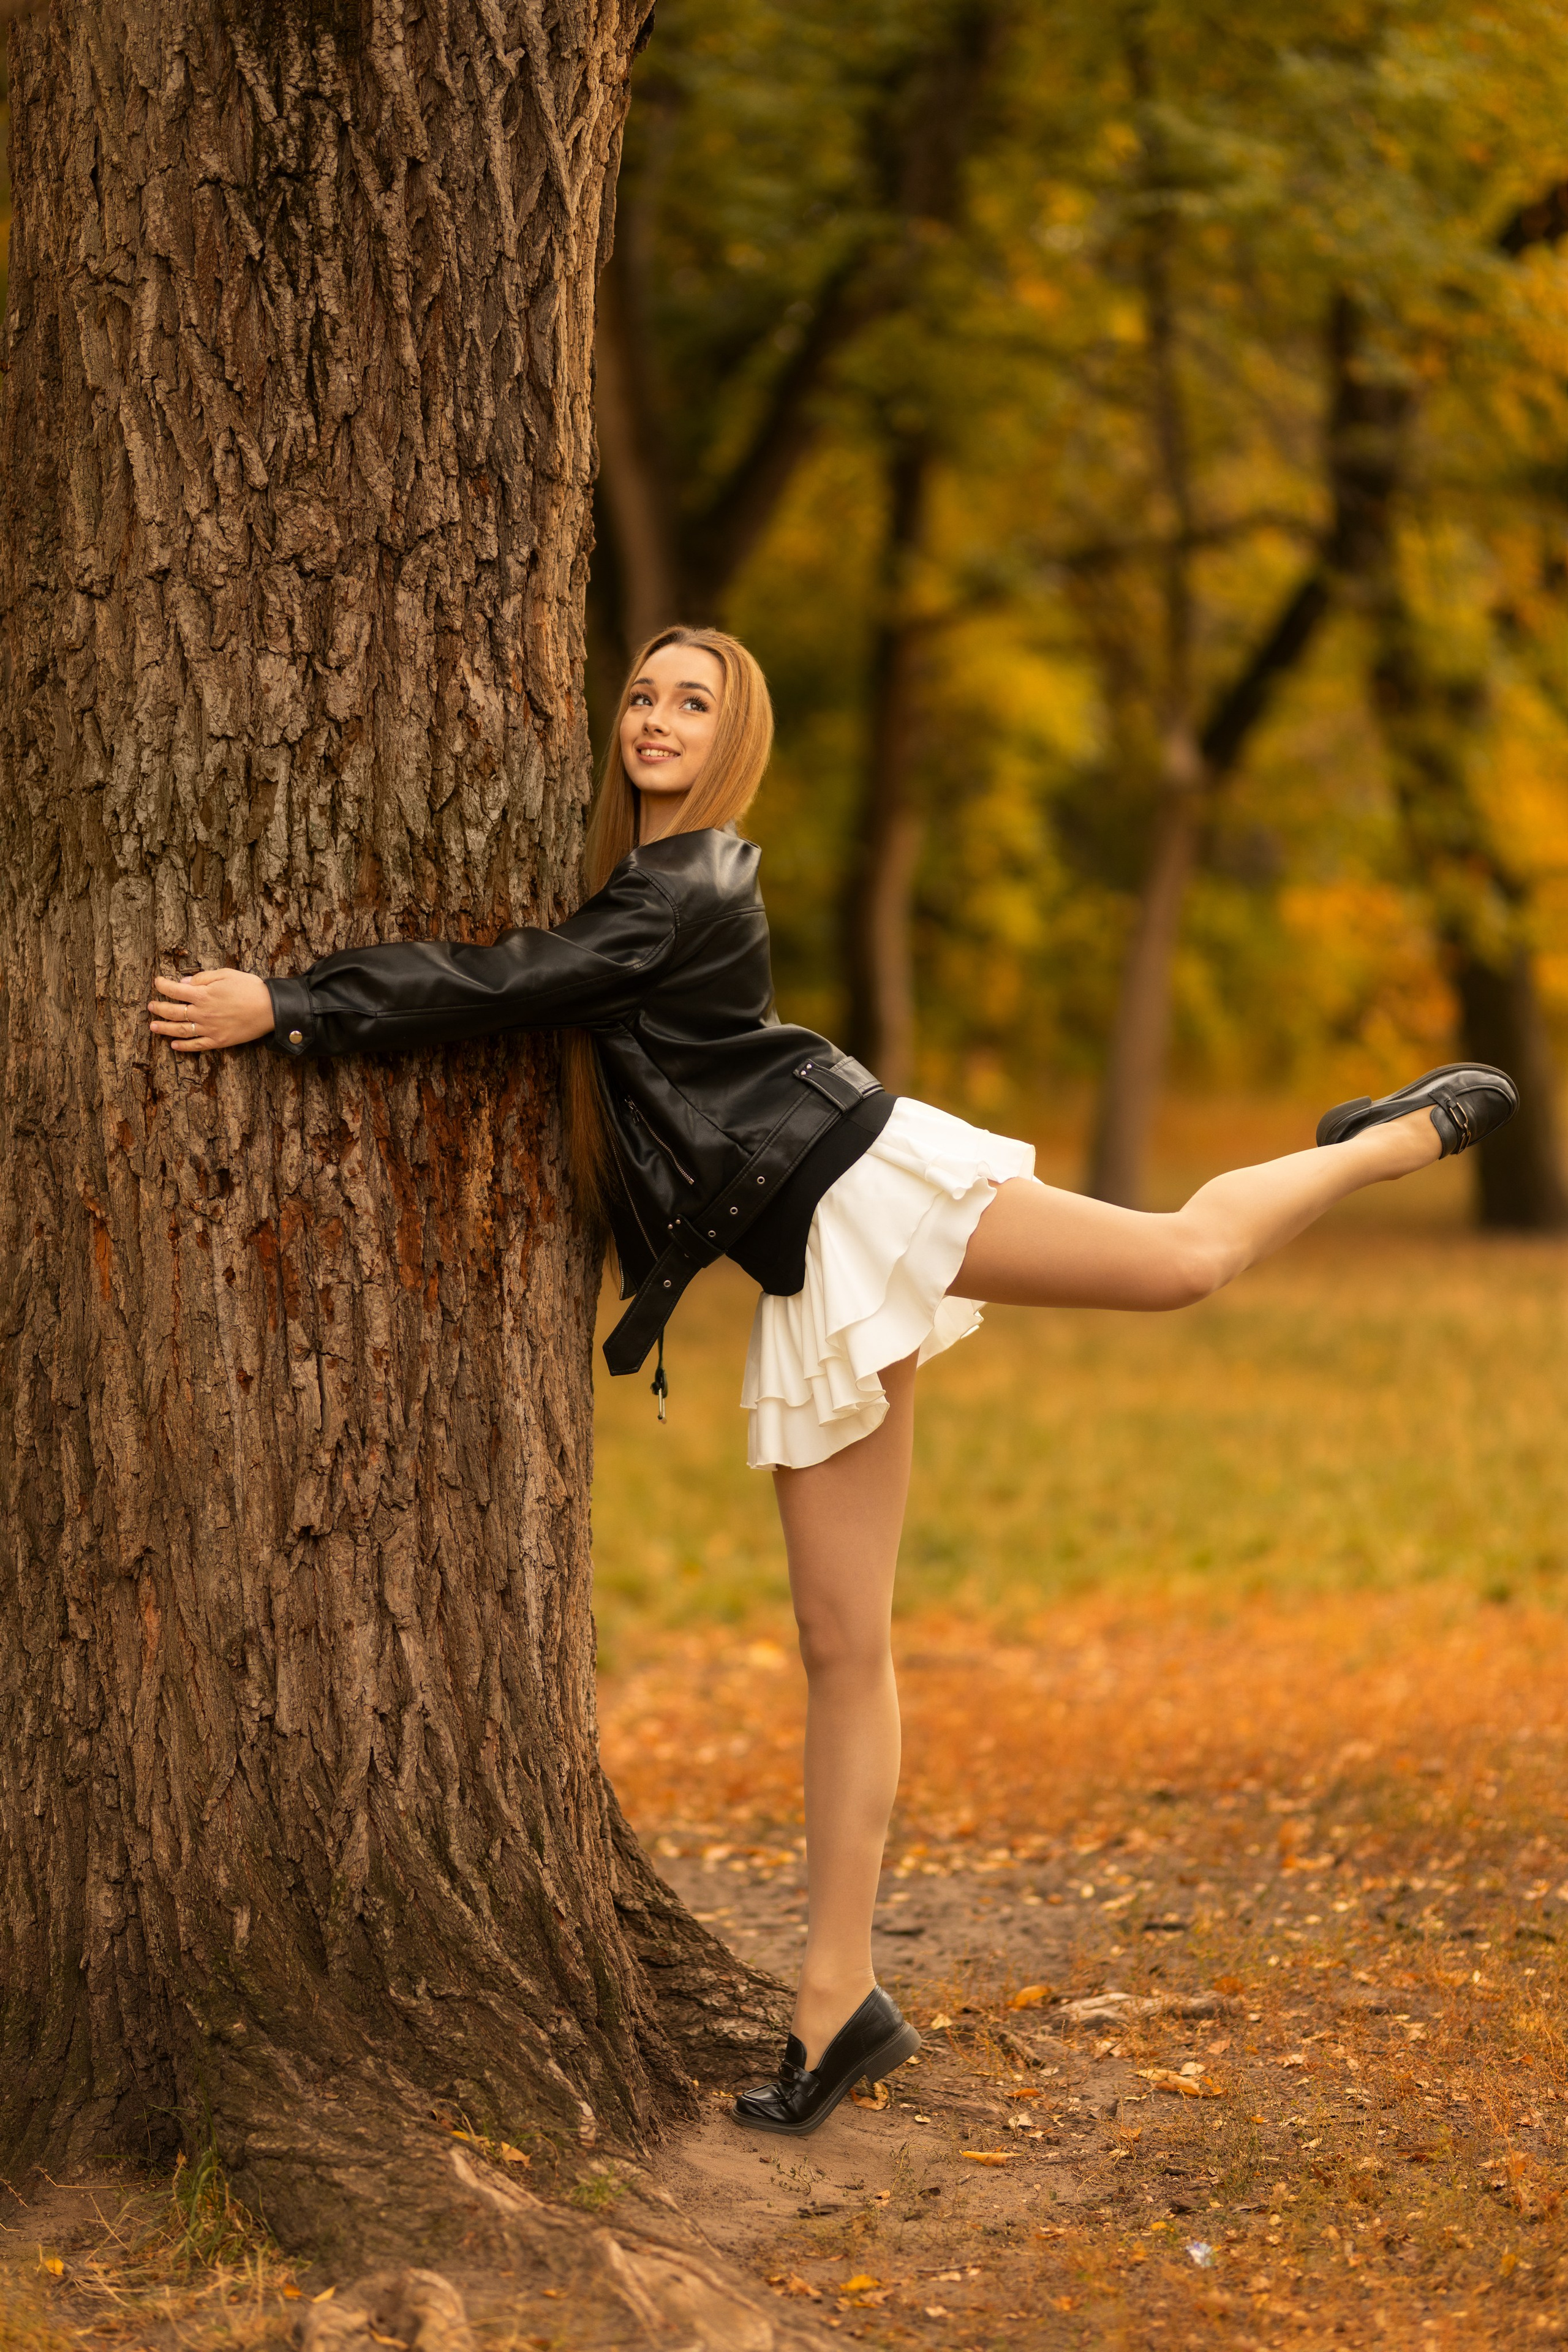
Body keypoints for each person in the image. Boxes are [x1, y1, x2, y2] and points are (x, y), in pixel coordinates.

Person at [149, 624, 1519, 2139]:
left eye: (693, 702)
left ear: (735, 740)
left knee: (1182, 1260)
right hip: (801, 1264)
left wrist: (288, 1003)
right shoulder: (638, 879)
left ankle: (1395, 1135)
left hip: (866, 1182)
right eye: (642, 695)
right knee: (836, 1641)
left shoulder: (696, 883)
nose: (657, 718)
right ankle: (838, 1999)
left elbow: (507, 982)